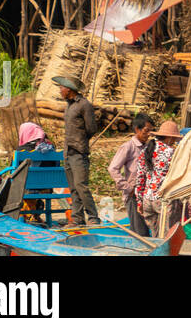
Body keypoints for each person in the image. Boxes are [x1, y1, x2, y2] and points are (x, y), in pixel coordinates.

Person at [54, 75, 100, 226]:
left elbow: (91, 128)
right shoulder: (69, 105)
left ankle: (93, 217)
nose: (60, 90)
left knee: (81, 186)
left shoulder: (84, 104)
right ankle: (77, 219)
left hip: (79, 151)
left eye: (62, 88)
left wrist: (81, 140)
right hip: (68, 151)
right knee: (73, 188)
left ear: (69, 89)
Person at [134, 119, 182, 236]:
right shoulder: (171, 152)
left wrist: (139, 201)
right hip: (164, 200)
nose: (174, 141)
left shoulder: (146, 150)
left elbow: (140, 178)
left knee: (156, 236)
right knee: (167, 235)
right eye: (174, 139)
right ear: (170, 138)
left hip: (147, 200)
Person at [109, 113, 153, 236]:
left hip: (146, 194)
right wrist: (128, 188)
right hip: (133, 195)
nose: (148, 134)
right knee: (139, 231)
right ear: (137, 129)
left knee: (147, 229)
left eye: (151, 131)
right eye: (146, 131)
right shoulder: (128, 147)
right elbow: (113, 168)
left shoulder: (148, 147)